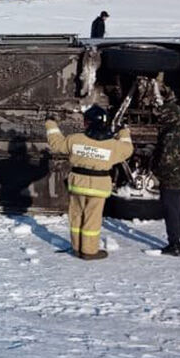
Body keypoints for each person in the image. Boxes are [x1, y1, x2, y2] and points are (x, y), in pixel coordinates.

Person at [45, 106, 133, 260]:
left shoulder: (75, 139)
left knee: (76, 216)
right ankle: (89, 251)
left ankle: (76, 248)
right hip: (99, 187)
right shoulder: (113, 145)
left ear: (88, 123)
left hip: (77, 184)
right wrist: (124, 131)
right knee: (92, 218)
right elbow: (128, 150)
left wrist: (50, 123)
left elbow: (56, 143)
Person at [154, 100, 180, 256]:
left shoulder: (169, 133)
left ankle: (174, 245)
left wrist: (157, 172)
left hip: (172, 180)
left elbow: (166, 159)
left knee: (172, 213)